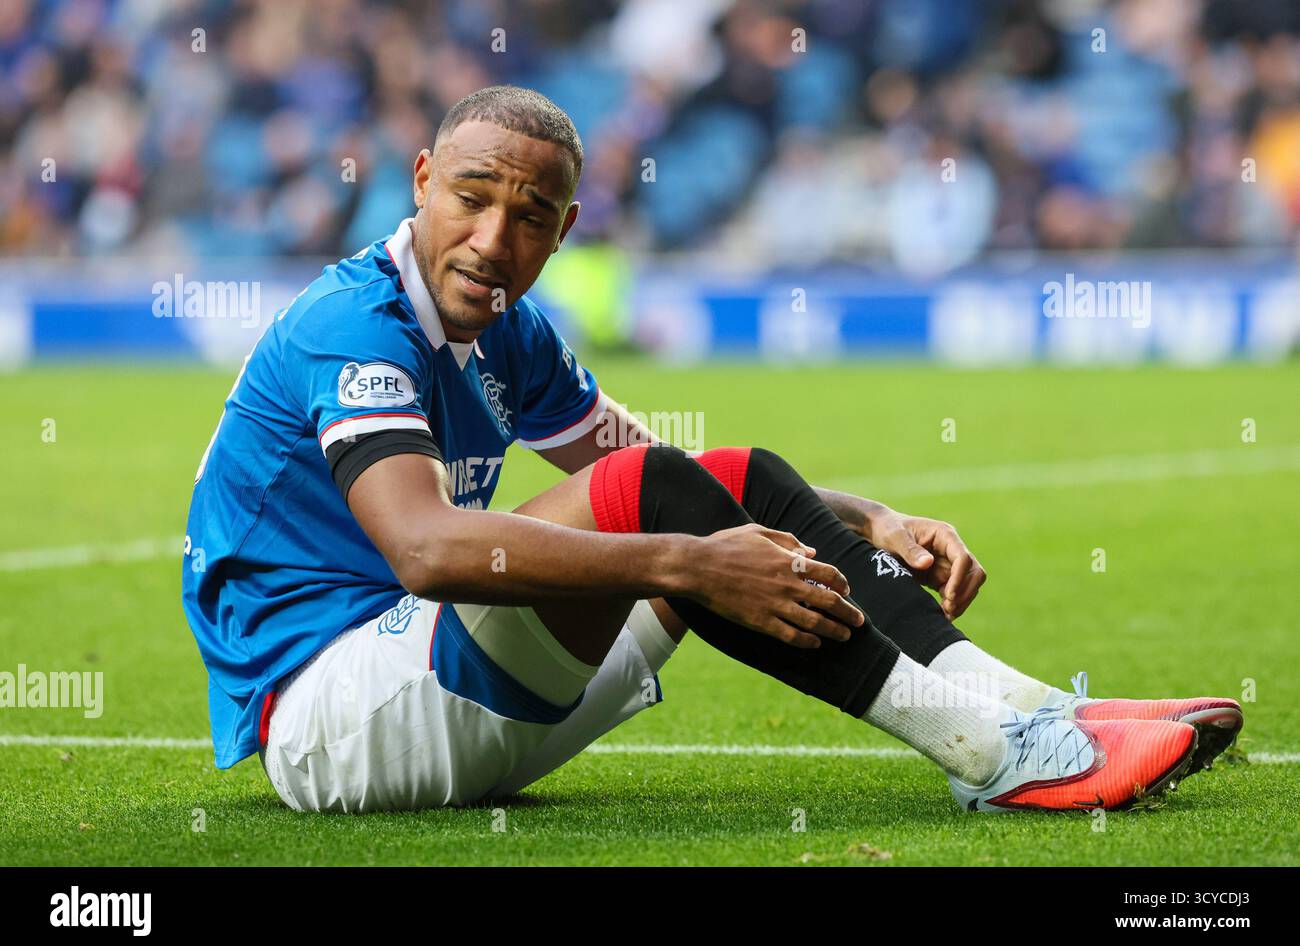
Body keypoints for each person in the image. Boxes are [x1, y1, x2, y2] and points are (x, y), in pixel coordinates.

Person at [181, 86, 1242, 814]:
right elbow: (424, 550)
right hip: (328, 717)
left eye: (531, 216)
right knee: (661, 505)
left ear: (565, 228)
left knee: (729, 474)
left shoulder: (509, 325)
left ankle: (1035, 711)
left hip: (432, 676)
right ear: (420, 179)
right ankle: (994, 758)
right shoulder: (351, 324)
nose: (494, 239)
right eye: (471, 197)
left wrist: (866, 513)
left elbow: (684, 479)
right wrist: (686, 563)